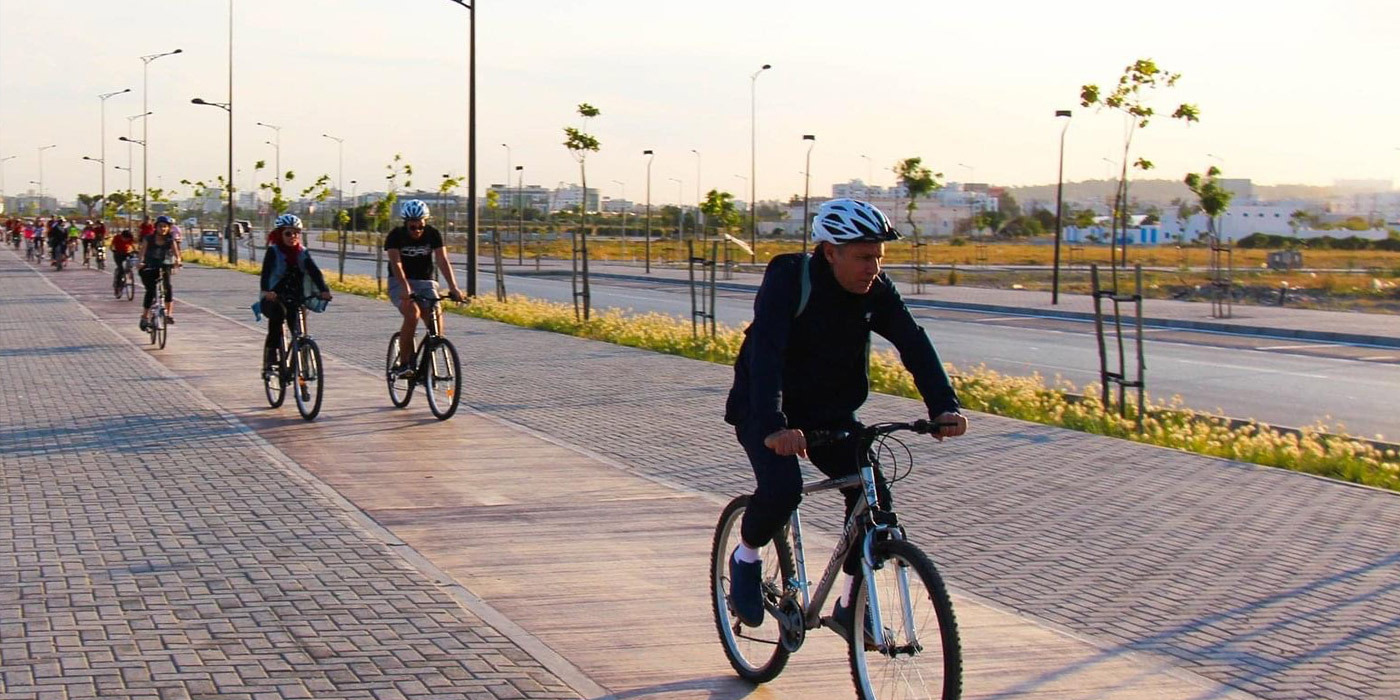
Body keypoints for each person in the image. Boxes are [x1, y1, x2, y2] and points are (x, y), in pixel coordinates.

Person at [722, 198, 967, 639]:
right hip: (764, 406)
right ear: (830, 251)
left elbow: (913, 343)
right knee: (783, 491)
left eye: (878, 256)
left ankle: (853, 603)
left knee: (873, 502)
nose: (872, 267)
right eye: (862, 256)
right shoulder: (789, 278)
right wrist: (775, 425)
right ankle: (746, 555)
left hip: (829, 413)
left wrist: (943, 406)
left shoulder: (876, 291)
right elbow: (768, 356)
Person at [383, 199, 463, 376]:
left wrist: (454, 287)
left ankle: (430, 354)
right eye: (413, 227)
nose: (417, 230)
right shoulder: (395, 235)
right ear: (406, 223)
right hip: (400, 282)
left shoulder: (432, 234)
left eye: (420, 226)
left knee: (435, 319)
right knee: (413, 314)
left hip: (425, 282)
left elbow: (442, 260)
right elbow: (396, 263)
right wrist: (405, 288)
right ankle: (405, 364)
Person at [258, 214, 332, 372]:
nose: (293, 237)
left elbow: (314, 272)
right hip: (274, 298)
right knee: (277, 317)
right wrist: (267, 291)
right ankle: (271, 356)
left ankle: (300, 364)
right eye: (288, 233)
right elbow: (265, 273)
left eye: (296, 233)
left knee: (298, 331)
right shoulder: (273, 251)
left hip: (294, 297)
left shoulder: (302, 253)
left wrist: (324, 290)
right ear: (280, 234)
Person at [137, 215, 182, 330]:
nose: (163, 229)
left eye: (165, 227)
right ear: (156, 227)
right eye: (161, 226)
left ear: (169, 228)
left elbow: (176, 253)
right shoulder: (149, 239)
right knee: (151, 290)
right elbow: (142, 253)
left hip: (164, 265)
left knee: (168, 287)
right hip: (149, 266)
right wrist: (140, 262)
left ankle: (169, 314)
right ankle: (145, 316)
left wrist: (178, 261)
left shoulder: (170, 240)